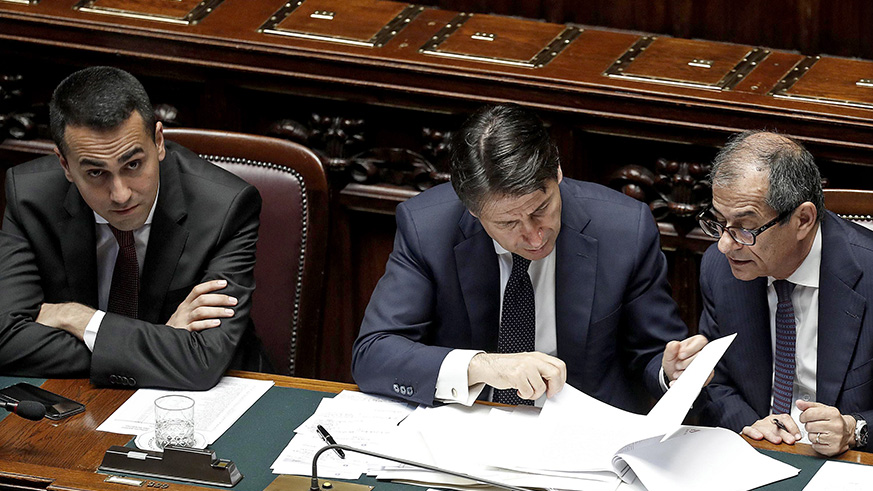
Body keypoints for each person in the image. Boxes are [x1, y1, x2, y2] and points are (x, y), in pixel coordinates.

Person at [352, 104, 706, 412]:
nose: (535, 236)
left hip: (585, 439)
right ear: (473, 211)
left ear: (557, 174)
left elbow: (652, 353)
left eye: (542, 209)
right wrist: (483, 366)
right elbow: (374, 353)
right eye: (508, 223)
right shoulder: (427, 229)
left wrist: (671, 371)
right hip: (467, 435)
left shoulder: (625, 229)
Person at [1, 66, 267, 390]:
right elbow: (5, 339)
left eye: (133, 164)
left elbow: (202, 361)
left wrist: (78, 319)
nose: (120, 194)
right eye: (96, 173)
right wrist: (161, 342)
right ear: (65, 165)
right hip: (83, 406)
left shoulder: (226, 207)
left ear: (158, 141)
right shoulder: (31, 198)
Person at [697, 130, 872, 456]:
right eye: (719, 222)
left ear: (803, 219)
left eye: (745, 229)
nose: (724, 244)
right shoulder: (720, 269)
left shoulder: (869, 274)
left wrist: (854, 429)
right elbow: (717, 384)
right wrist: (753, 428)